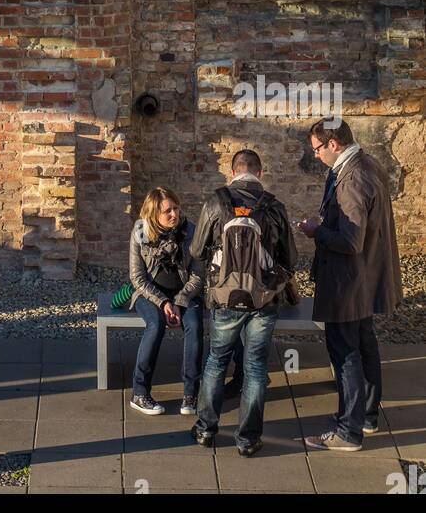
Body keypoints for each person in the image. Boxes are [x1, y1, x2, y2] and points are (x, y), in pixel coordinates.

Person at [297, 119, 402, 452]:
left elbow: (350, 241)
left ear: (333, 144)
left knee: (345, 354)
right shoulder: (369, 164)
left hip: (348, 282)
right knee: (365, 345)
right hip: (367, 278)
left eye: (317, 149)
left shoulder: (351, 179)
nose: (315, 156)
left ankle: (347, 431)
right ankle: (367, 416)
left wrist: (316, 231)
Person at [190, 149, 297, 457]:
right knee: (255, 366)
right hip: (263, 300)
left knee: (216, 361)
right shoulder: (274, 207)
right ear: (260, 174)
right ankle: (247, 439)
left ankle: (205, 430)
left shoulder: (215, 202)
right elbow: (290, 259)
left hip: (224, 298)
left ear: (231, 172)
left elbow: (197, 251)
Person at [128, 187, 203, 417]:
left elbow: (198, 275)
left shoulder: (191, 231)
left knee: (195, 326)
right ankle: (139, 392)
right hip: (150, 295)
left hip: (185, 294)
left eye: (176, 208)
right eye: (167, 211)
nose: (174, 215)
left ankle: (191, 394)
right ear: (153, 215)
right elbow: (137, 277)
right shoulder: (140, 231)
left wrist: (179, 302)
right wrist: (163, 303)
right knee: (156, 325)